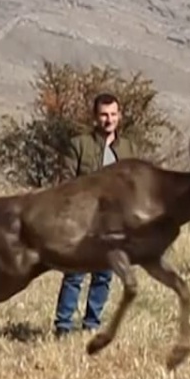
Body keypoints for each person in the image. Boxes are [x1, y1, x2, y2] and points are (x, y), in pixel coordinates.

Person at [53, 92, 143, 338]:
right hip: (83, 221)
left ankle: (92, 323)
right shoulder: (79, 144)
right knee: (74, 274)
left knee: (104, 275)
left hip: (114, 223)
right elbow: (66, 182)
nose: (109, 119)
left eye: (113, 114)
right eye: (104, 114)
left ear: (119, 116)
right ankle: (63, 325)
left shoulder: (128, 148)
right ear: (95, 117)